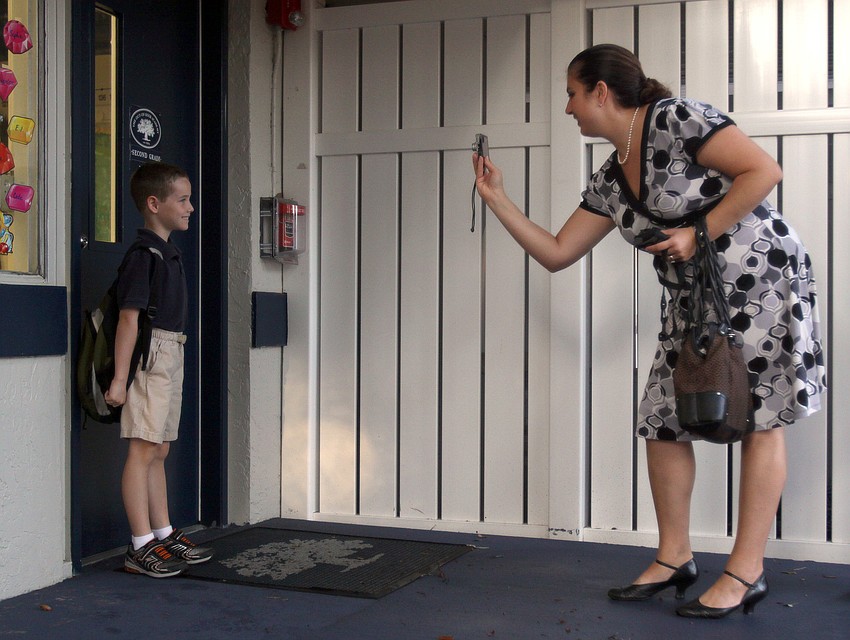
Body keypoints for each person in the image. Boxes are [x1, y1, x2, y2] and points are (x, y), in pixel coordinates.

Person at [472, 44, 825, 618]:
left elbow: (764, 171)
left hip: (761, 279)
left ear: (601, 93)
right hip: (693, 302)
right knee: (663, 419)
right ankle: (674, 557)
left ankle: (746, 570)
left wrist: (698, 232)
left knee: (762, 416)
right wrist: (497, 199)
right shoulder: (611, 178)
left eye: (571, 93)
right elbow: (559, 253)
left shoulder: (678, 119)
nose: (568, 109)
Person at [105, 162, 213, 577]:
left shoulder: (167, 252)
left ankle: (162, 532)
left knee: (160, 447)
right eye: (182, 200)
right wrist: (120, 379)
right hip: (150, 359)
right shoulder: (143, 256)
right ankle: (139, 545)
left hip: (172, 352)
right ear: (154, 204)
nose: (190, 208)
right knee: (143, 448)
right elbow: (128, 319)